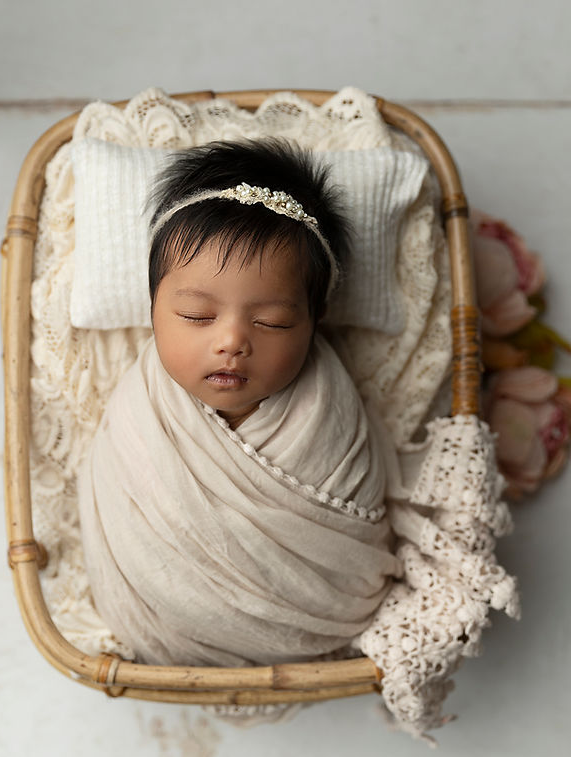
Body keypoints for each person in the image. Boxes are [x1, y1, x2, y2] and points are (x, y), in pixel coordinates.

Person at [78, 140, 402, 667]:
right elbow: (117, 504)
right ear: (153, 307)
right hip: (159, 626)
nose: (231, 341)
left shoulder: (329, 415)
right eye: (195, 316)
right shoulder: (143, 410)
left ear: (315, 323)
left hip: (321, 619)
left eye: (272, 321)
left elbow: (357, 541)